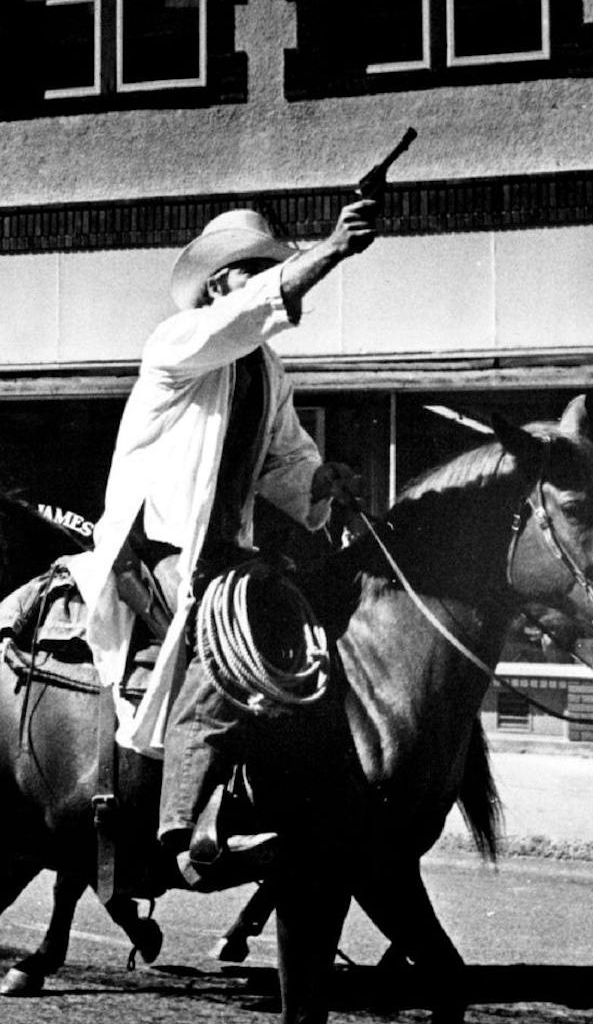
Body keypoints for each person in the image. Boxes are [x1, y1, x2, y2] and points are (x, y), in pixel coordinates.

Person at [63, 200, 376, 892]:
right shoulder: (178, 343)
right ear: (215, 287)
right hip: (158, 545)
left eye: (272, 266)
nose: (270, 278)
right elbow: (251, 315)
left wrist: (324, 480)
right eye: (255, 270)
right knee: (222, 635)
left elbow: (285, 463)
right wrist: (326, 253)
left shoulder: (266, 372)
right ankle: (178, 827)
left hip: (226, 551)